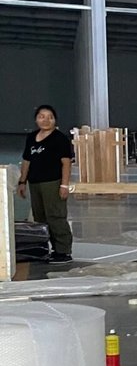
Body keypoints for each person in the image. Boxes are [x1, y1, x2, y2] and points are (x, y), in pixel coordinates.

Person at [16, 104, 74, 262]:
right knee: (40, 217)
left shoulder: (60, 139)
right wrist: (22, 181)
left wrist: (64, 185)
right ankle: (44, 248)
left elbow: (66, 163)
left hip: (52, 183)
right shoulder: (31, 137)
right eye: (42, 117)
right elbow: (26, 161)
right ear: (36, 119)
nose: (46, 120)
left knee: (55, 216)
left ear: (55, 120)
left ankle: (63, 251)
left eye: (50, 117)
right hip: (35, 183)